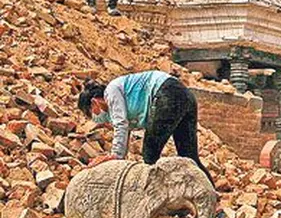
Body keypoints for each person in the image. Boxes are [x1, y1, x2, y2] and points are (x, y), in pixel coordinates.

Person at [78, 70, 209, 182]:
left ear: (94, 103)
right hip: (182, 93)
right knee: (188, 156)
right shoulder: (118, 99)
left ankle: (157, 199)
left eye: (90, 114)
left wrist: (115, 155)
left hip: (166, 93)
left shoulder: (111, 92)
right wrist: (119, 156)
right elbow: (125, 129)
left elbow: (121, 125)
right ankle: (214, 200)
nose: (95, 119)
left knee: (149, 153)